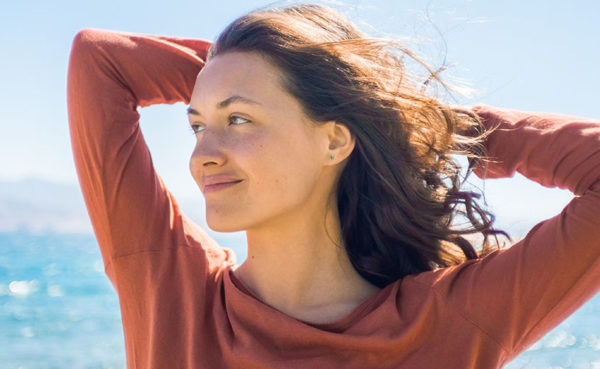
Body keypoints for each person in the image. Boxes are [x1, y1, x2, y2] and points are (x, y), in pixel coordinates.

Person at [66, 4, 600, 369]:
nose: (203, 155)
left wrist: (410, 118)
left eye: (240, 121)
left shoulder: (453, 319)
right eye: (197, 125)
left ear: (334, 142)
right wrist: (253, 80)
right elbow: (99, 60)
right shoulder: (170, 292)